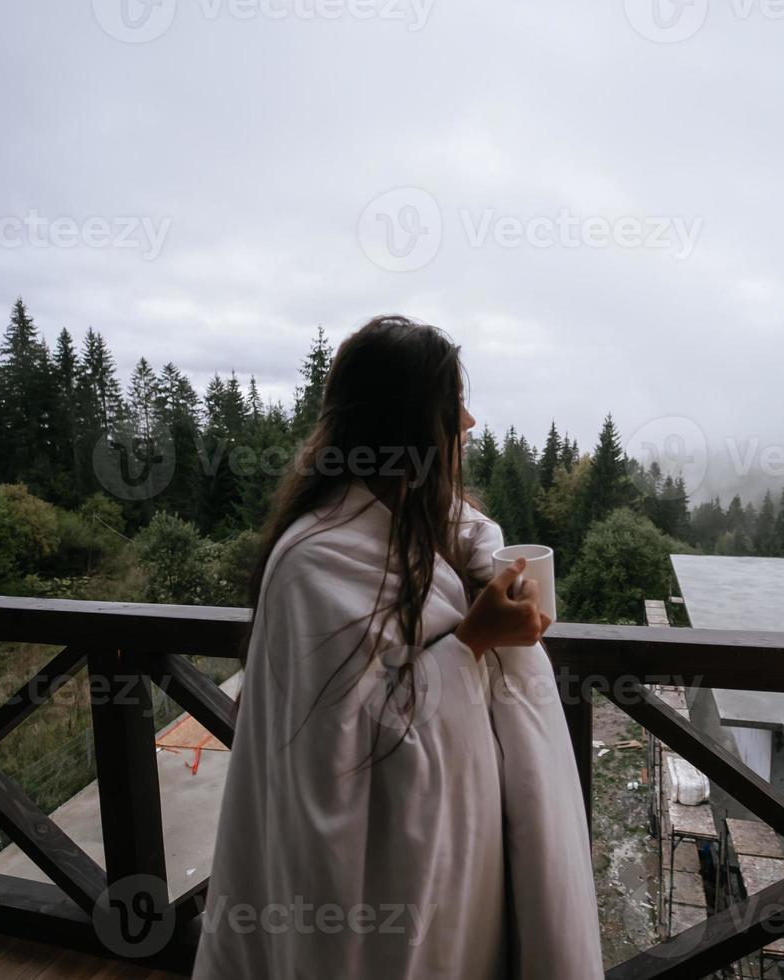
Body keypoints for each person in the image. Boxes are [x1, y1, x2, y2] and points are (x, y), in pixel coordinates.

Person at [192, 315, 602, 979]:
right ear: (407, 424)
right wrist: (473, 640)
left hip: (455, 858)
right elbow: (337, 758)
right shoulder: (314, 562)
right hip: (371, 902)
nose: (467, 424)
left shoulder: (422, 527)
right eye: (451, 407)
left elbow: (461, 533)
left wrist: (484, 572)